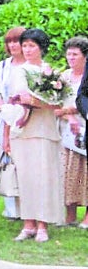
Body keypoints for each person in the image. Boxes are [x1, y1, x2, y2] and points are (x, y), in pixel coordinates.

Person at [3, 28, 63, 243]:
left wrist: (40, 102)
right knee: (26, 178)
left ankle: (42, 224)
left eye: (31, 46)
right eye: (25, 45)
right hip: (22, 130)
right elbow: (18, 98)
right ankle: (28, 223)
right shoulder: (18, 71)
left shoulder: (50, 72)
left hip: (44, 129)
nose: (27, 50)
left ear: (41, 48)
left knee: (43, 178)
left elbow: (57, 101)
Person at [0, 26, 27, 220]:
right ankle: (11, 207)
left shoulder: (30, 66)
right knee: (7, 160)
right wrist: (4, 110)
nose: (13, 45)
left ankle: (27, 207)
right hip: (5, 116)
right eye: (10, 41)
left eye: (17, 41)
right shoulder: (3, 66)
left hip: (25, 118)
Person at [56, 37, 87, 227]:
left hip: (85, 126)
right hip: (66, 130)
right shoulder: (63, 77)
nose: (71, 58)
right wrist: (69, 116)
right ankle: (70, 214)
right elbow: (55, 105)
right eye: (68, 54)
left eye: (75, 54)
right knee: (68, 172)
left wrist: (73, 111)